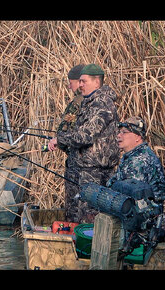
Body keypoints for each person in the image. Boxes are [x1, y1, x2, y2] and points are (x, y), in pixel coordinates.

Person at [50, 64, 120, 224]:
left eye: (83, 81)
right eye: (79, 81)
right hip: (81, 170)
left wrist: (59, 140)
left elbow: (86, 136)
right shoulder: (89, 102)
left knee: (88, 219)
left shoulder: (102, 104)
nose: (79, 85)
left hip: (93, 173)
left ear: (96, 82)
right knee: (74, 217)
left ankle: (87, 247)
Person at [47, 64, 85, 222]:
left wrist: (59, 141)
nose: (69, 86)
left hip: (77, 161)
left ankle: (75, 233)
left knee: (75, 205)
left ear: (80, 81)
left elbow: (65, 129)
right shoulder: (93, 101)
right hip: (83, 160)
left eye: (71, 82)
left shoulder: (78, 101)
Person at [106, 116, 165, 199]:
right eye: (119, 132)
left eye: (124, 132)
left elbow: (130, 195)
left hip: (144, 210)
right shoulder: (134, 155)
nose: (119, 135)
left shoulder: (139, 160)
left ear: (137, 137)